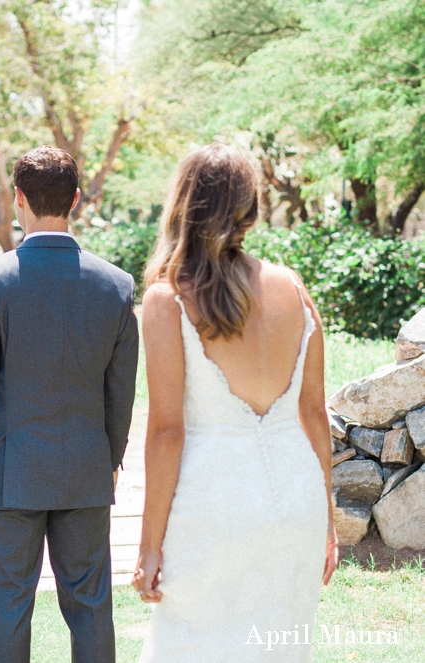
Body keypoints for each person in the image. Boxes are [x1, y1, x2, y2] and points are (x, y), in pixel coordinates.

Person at [132, 144, 339, 661]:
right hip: (297, 502)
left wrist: (150, 545)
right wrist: (328, 521)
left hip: (212, 504)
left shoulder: (169, 299)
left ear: (184, 203)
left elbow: (166, 432)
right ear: (249, 206)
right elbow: (315, 414)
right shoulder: (292, 286)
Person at [0, 145, 139, 663]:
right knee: (92, 606)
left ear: (18, 200)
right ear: (76, 199)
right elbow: (121, 392)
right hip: (85, 469)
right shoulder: (117, 287)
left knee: (8, 608)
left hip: (9, 473)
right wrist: (112, 459)